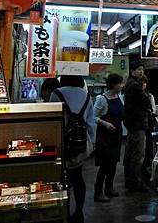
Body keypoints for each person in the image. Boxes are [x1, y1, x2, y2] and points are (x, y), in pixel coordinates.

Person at [50, 75, 95, 223]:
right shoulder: (87, 95)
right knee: (78, 176)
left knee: (64, 179)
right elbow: (91, 124)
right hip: (80, 143)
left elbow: (53, 121)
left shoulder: (56, 93)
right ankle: (79, 211)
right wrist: (91, 144)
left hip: (62, 143)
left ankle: (65, 212)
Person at [93, 74, 124, 202]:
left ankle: (109, 187)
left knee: (113, 163)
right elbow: (93, 116)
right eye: (120, 83)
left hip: (116, 135)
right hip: (105, 136)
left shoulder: (119, 97)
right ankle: (98, 192)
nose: (122, 86)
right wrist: (105, 124)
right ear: (113, 84)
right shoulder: (102, 99)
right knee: (105, 164)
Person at [123, 60, 152, 192]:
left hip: (132, 123)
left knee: (130, 152)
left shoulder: (130, 83)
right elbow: (146, 101)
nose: (141, 72)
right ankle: (135, 182)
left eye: (142, 69)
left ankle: (129, 179)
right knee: (138, 154)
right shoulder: (135, 85)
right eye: (139, 69)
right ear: (132, 71)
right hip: (137, 124)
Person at [141, 74, 156, 175]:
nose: (143, 85)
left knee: (148, 146)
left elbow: (154, 110)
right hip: (139, 125)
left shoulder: (150, 96)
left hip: (148, 124)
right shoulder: (134, 95)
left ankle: (146, 166)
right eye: (141, 83)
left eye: (145, 83)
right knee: (141, 148)